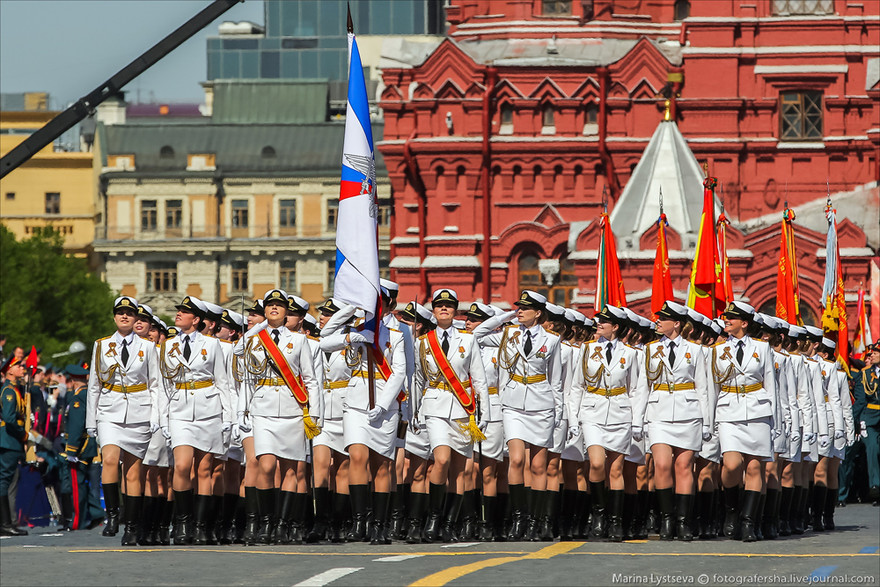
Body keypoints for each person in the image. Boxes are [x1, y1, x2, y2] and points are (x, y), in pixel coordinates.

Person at [474, 290, 563, 542]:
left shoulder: (552, 340)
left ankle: (535, 521)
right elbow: (477, 334)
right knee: (515, 460)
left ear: (538, 312)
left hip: (541, 404)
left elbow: (555, 380)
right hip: (512, 404)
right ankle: (518, 518)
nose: (520, 310)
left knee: (537, 465)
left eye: (525, 308)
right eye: (518, 307)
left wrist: (558, 412)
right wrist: (505, 316)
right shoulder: (508, 333)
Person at [238, 289, 322, 545]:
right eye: (270, 305)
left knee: (290, 469)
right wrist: (242, 410)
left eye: (279, 306)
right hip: (262, 409)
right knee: (265, 465)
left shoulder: (298, 341)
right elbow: (240, 364)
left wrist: (315, 412)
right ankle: (267, 522)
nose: (274, 308)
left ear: (287, 312)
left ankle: (283, 525)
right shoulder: (254, 340)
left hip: (291, 409)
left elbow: (310, 379)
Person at [320, 300, 406, 545]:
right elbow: (325, 338)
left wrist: (384, 404)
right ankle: (360, 521)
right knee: (357, 457)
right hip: (356, 400)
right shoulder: (356, 330)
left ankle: (380, 525)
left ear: (387, 307)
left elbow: (400, 371)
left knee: (381, 465)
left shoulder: (397, 335)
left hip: (384, 405)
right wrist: (350, 320)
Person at [413, 289, 490, 543]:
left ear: (456, 310)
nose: (444, 309)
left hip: (462, 409)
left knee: (459, 470)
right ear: (433, 311)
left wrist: (484, 413)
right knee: (442, 459)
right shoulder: (423, 342)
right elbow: (418, 380)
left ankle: (449, 524)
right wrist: (414, 410)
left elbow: (479, 378)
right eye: (439, 305)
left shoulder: (467, 340)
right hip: (434, 406)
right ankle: (433, 520)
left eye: (449, 305)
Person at [634, 301, 712, 541]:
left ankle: (683, 521)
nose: (657, 321)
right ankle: (667, 518)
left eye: (663, 319)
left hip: (688, 413)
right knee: (662, 466)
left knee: (684, 467)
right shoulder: (649, 350)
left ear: (676, 323)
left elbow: (704, 387)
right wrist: (638, 421)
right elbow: (641, 388)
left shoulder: (696, 350)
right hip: (658, 413)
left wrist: (707, 422)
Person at [158, 295, 233, 545]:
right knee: (181, 466)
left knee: (204, 468)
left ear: (196, 319)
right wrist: (163, 418)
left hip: (207, 407)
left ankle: (202, 526)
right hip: (179, 407)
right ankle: (182, 523)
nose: (178, 314)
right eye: (178, 311)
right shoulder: (168, 345)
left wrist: (228, 417)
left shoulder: (212, 345)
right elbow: (162, 385)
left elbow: (223, 382)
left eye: (184, 312)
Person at [86, 296, 161, 545]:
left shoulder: (148, 347)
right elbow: (94, 386)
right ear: (114, 316)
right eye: (120, 312)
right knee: (109, 459)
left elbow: (155, 385)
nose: (125, 316)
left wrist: (156, 417)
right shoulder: (101, 345)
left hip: (139, 411)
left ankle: (131, 525)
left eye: (130, 313)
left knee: (133, 472)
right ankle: (112, 515)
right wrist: (91, 420)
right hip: (110, 410)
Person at [568, 304, 640, 542]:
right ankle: (599, 513)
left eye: (604, 322)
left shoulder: (629, 354)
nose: (598, 324)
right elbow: (577, 385)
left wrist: (637, 421)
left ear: (616, 327)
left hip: (620, 413)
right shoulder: (587, 350)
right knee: (597, 464)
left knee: (616, 469)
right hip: (592, 411)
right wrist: (574, 418)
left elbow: (636, 390)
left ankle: (615, 521)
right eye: (598, 321)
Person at [709, 301, 776, 543]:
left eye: (731, 318)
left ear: (744, 323)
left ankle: (749, 521)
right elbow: (712, 389)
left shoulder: (762, 348)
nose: (726, 320)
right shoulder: (716, 351)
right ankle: (731, 510)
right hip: (728, 411)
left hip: (758, 411)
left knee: (755, 467)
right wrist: (710, 422)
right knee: (731, 465)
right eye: (726, 318)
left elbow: (771, 385)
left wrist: (774, 421)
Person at [311, 298, 352, 543]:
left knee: (343, 468)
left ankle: (340, 520)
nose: (322, 318)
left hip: (345, 407)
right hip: (321, 411)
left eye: (328, 314)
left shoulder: (350, 343)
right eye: (322, 314)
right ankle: (320, 520)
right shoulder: (312, 343)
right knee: (320, 464)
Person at [60, 364, 103, 531]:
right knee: (81, 484)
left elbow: (77, 425)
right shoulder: (86, 395)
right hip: (86, 445)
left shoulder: (78, 398)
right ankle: (96, 512)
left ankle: (78, 521)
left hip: (80, 447)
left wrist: (71, 450)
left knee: (77, 485)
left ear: (73, 381)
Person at [0, 356, 28, 536]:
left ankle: (8, 521)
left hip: (11, 440)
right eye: (18, 366)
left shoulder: (14, 390)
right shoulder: (9, 391)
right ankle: (5, 523)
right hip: (9, 440)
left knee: (8, 481)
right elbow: (10, 419)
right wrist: (22, 433)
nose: (22, 368)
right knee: (5, 480)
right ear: (9, 370)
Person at [851, 344, 879, 505]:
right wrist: (854, 421)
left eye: (876, 353)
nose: (872, 355)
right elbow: (861, 400)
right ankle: (875, 485)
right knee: (872, 449)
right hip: (870, 418)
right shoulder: (865, 374)